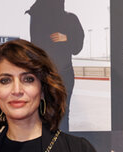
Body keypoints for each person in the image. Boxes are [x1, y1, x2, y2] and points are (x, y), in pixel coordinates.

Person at [26, 0, 84, 131]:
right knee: (44, 112)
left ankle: (60, 147)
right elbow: (35, 47)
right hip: (44, 75)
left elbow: (77, 47)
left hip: (65, 74)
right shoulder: (37, 18)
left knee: (63, 112)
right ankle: (46, 147)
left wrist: (67, 38)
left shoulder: (70, 19)